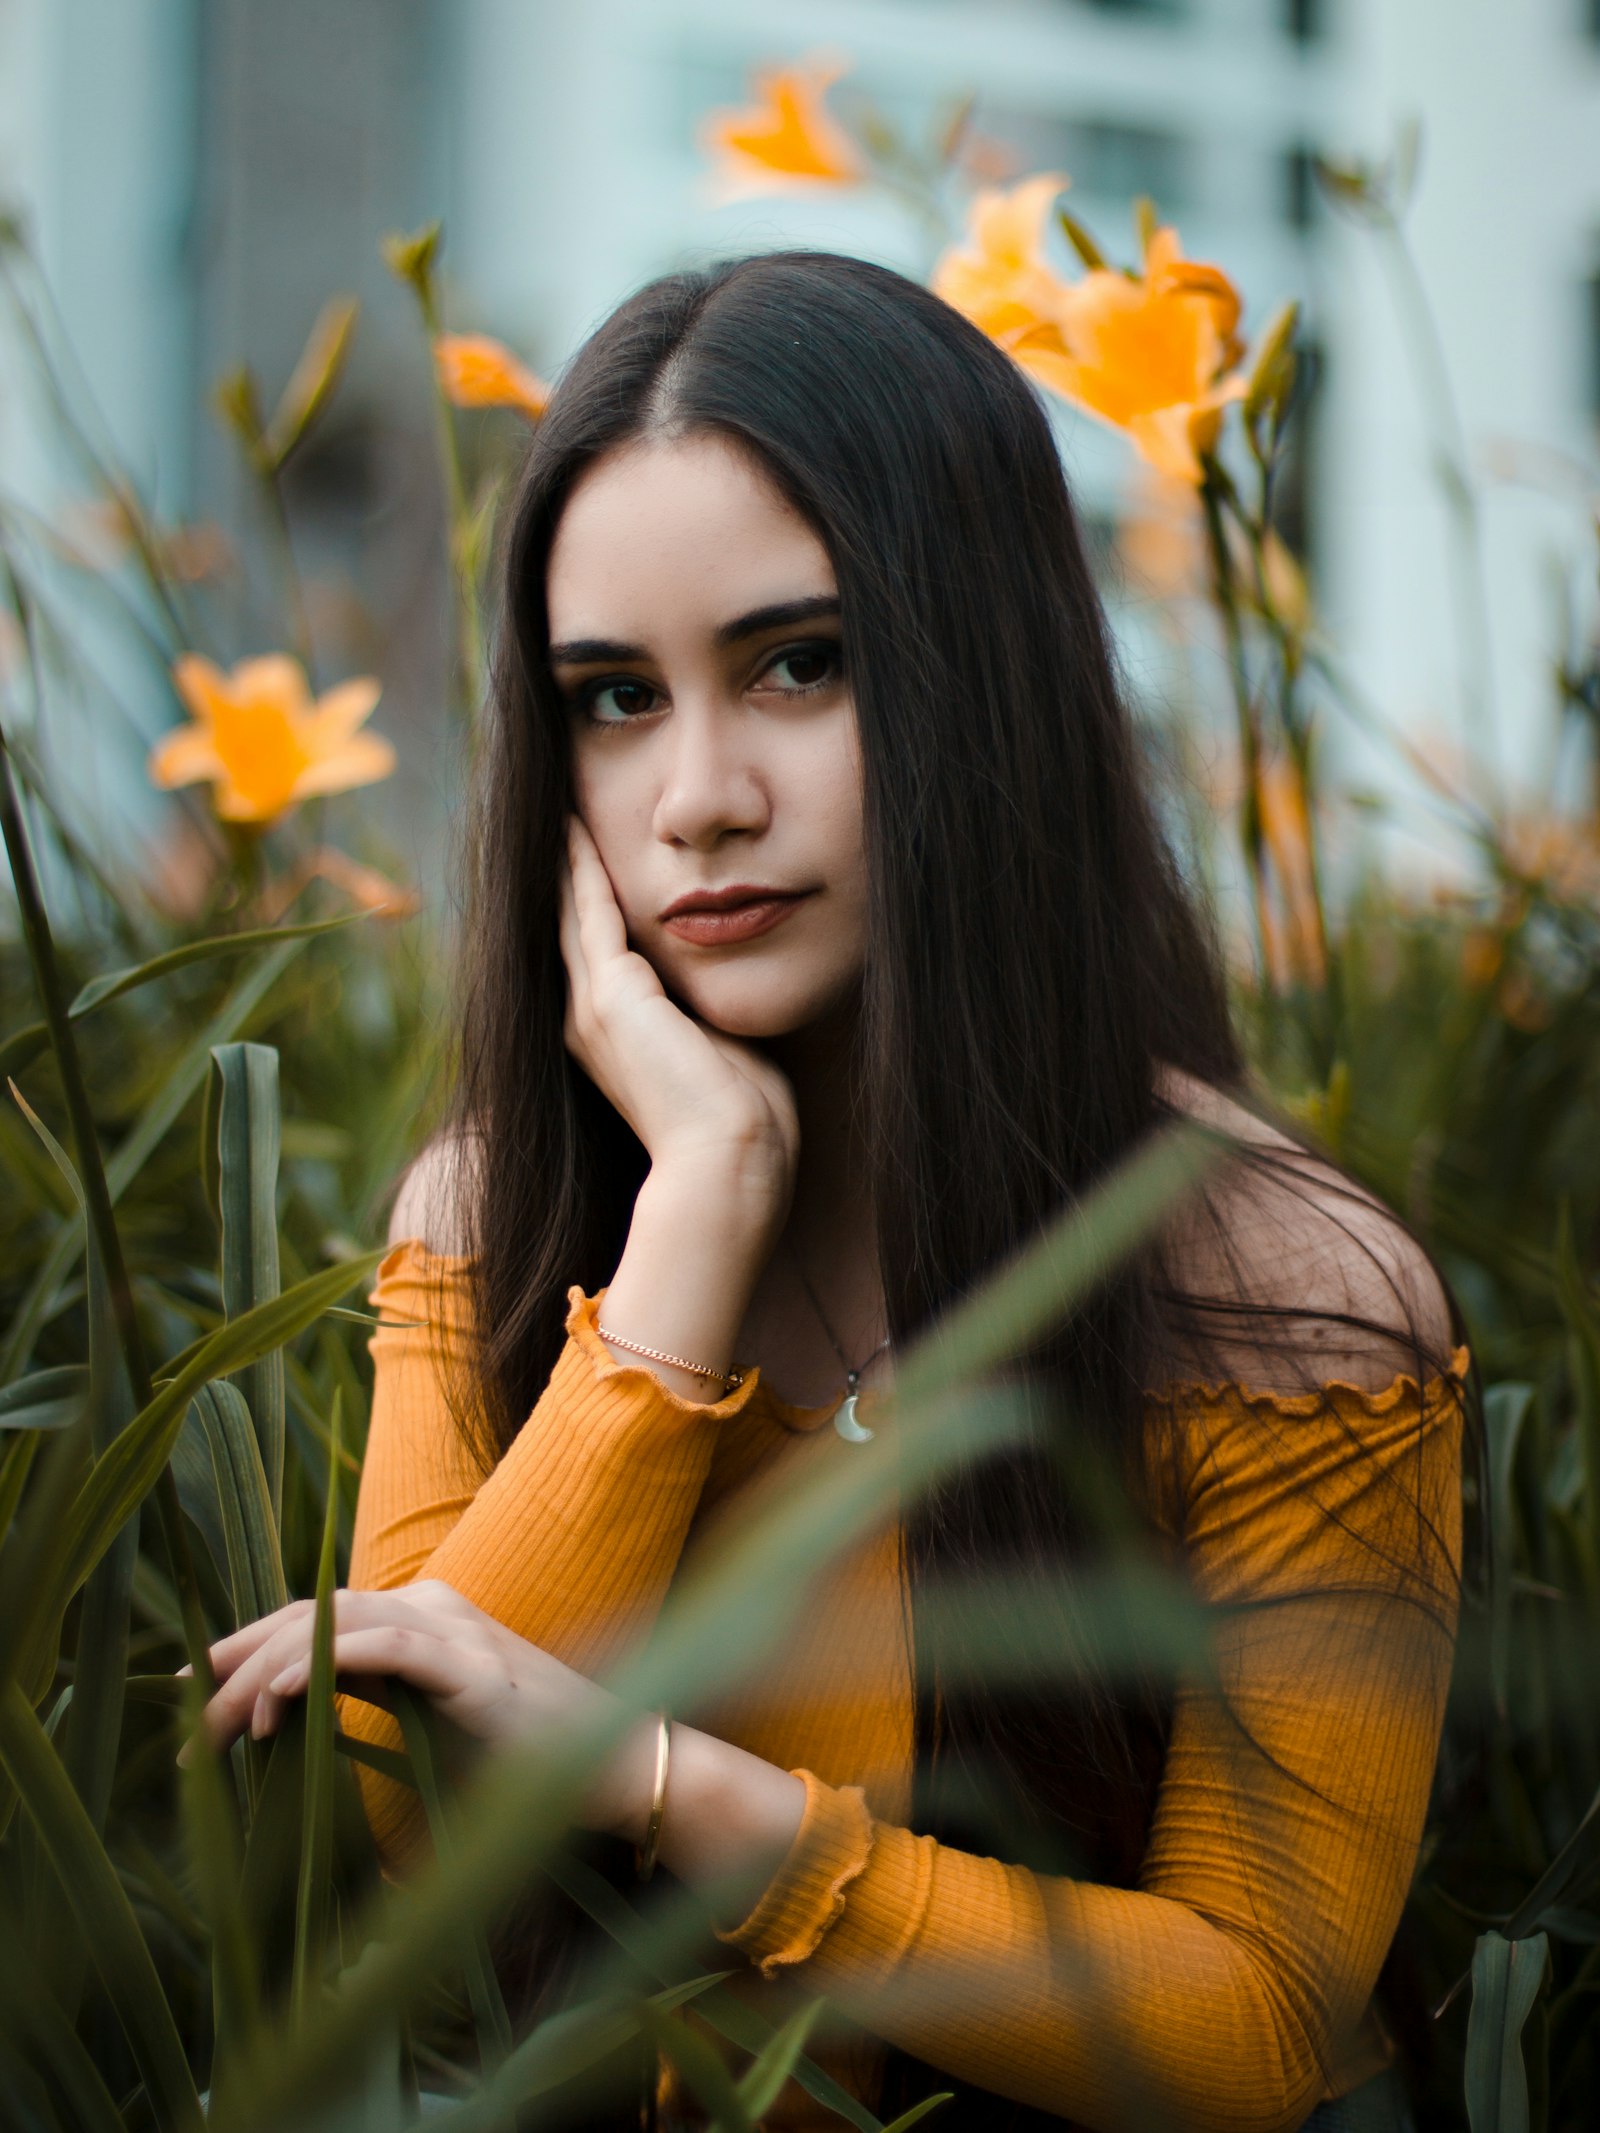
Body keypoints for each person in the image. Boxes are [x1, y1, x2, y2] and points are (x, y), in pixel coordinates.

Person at [191, 252, 1470, 2133]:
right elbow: (409, 1835)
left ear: (986, 682)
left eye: (801, 664)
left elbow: (1258, 2017)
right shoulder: (495, 1211)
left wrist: (661, 1783)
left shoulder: (1281, 1295)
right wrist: (697, 1215)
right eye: (615, 699)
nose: (697, 796)